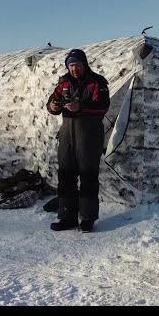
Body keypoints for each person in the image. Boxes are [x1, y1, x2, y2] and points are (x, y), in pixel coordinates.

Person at [46, 49, 110, 232]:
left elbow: (103, 107)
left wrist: (80, 107)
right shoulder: (64, 83)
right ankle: (68, 216)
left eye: (77, 65)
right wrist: (52, 106)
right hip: (67, 135)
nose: (74, 69)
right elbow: (53, 101)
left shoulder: (96, 82)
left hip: (89, 136)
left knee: (88, 177)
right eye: (71, 65)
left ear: (84, 64)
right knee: (66, 176)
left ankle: (88, 219)